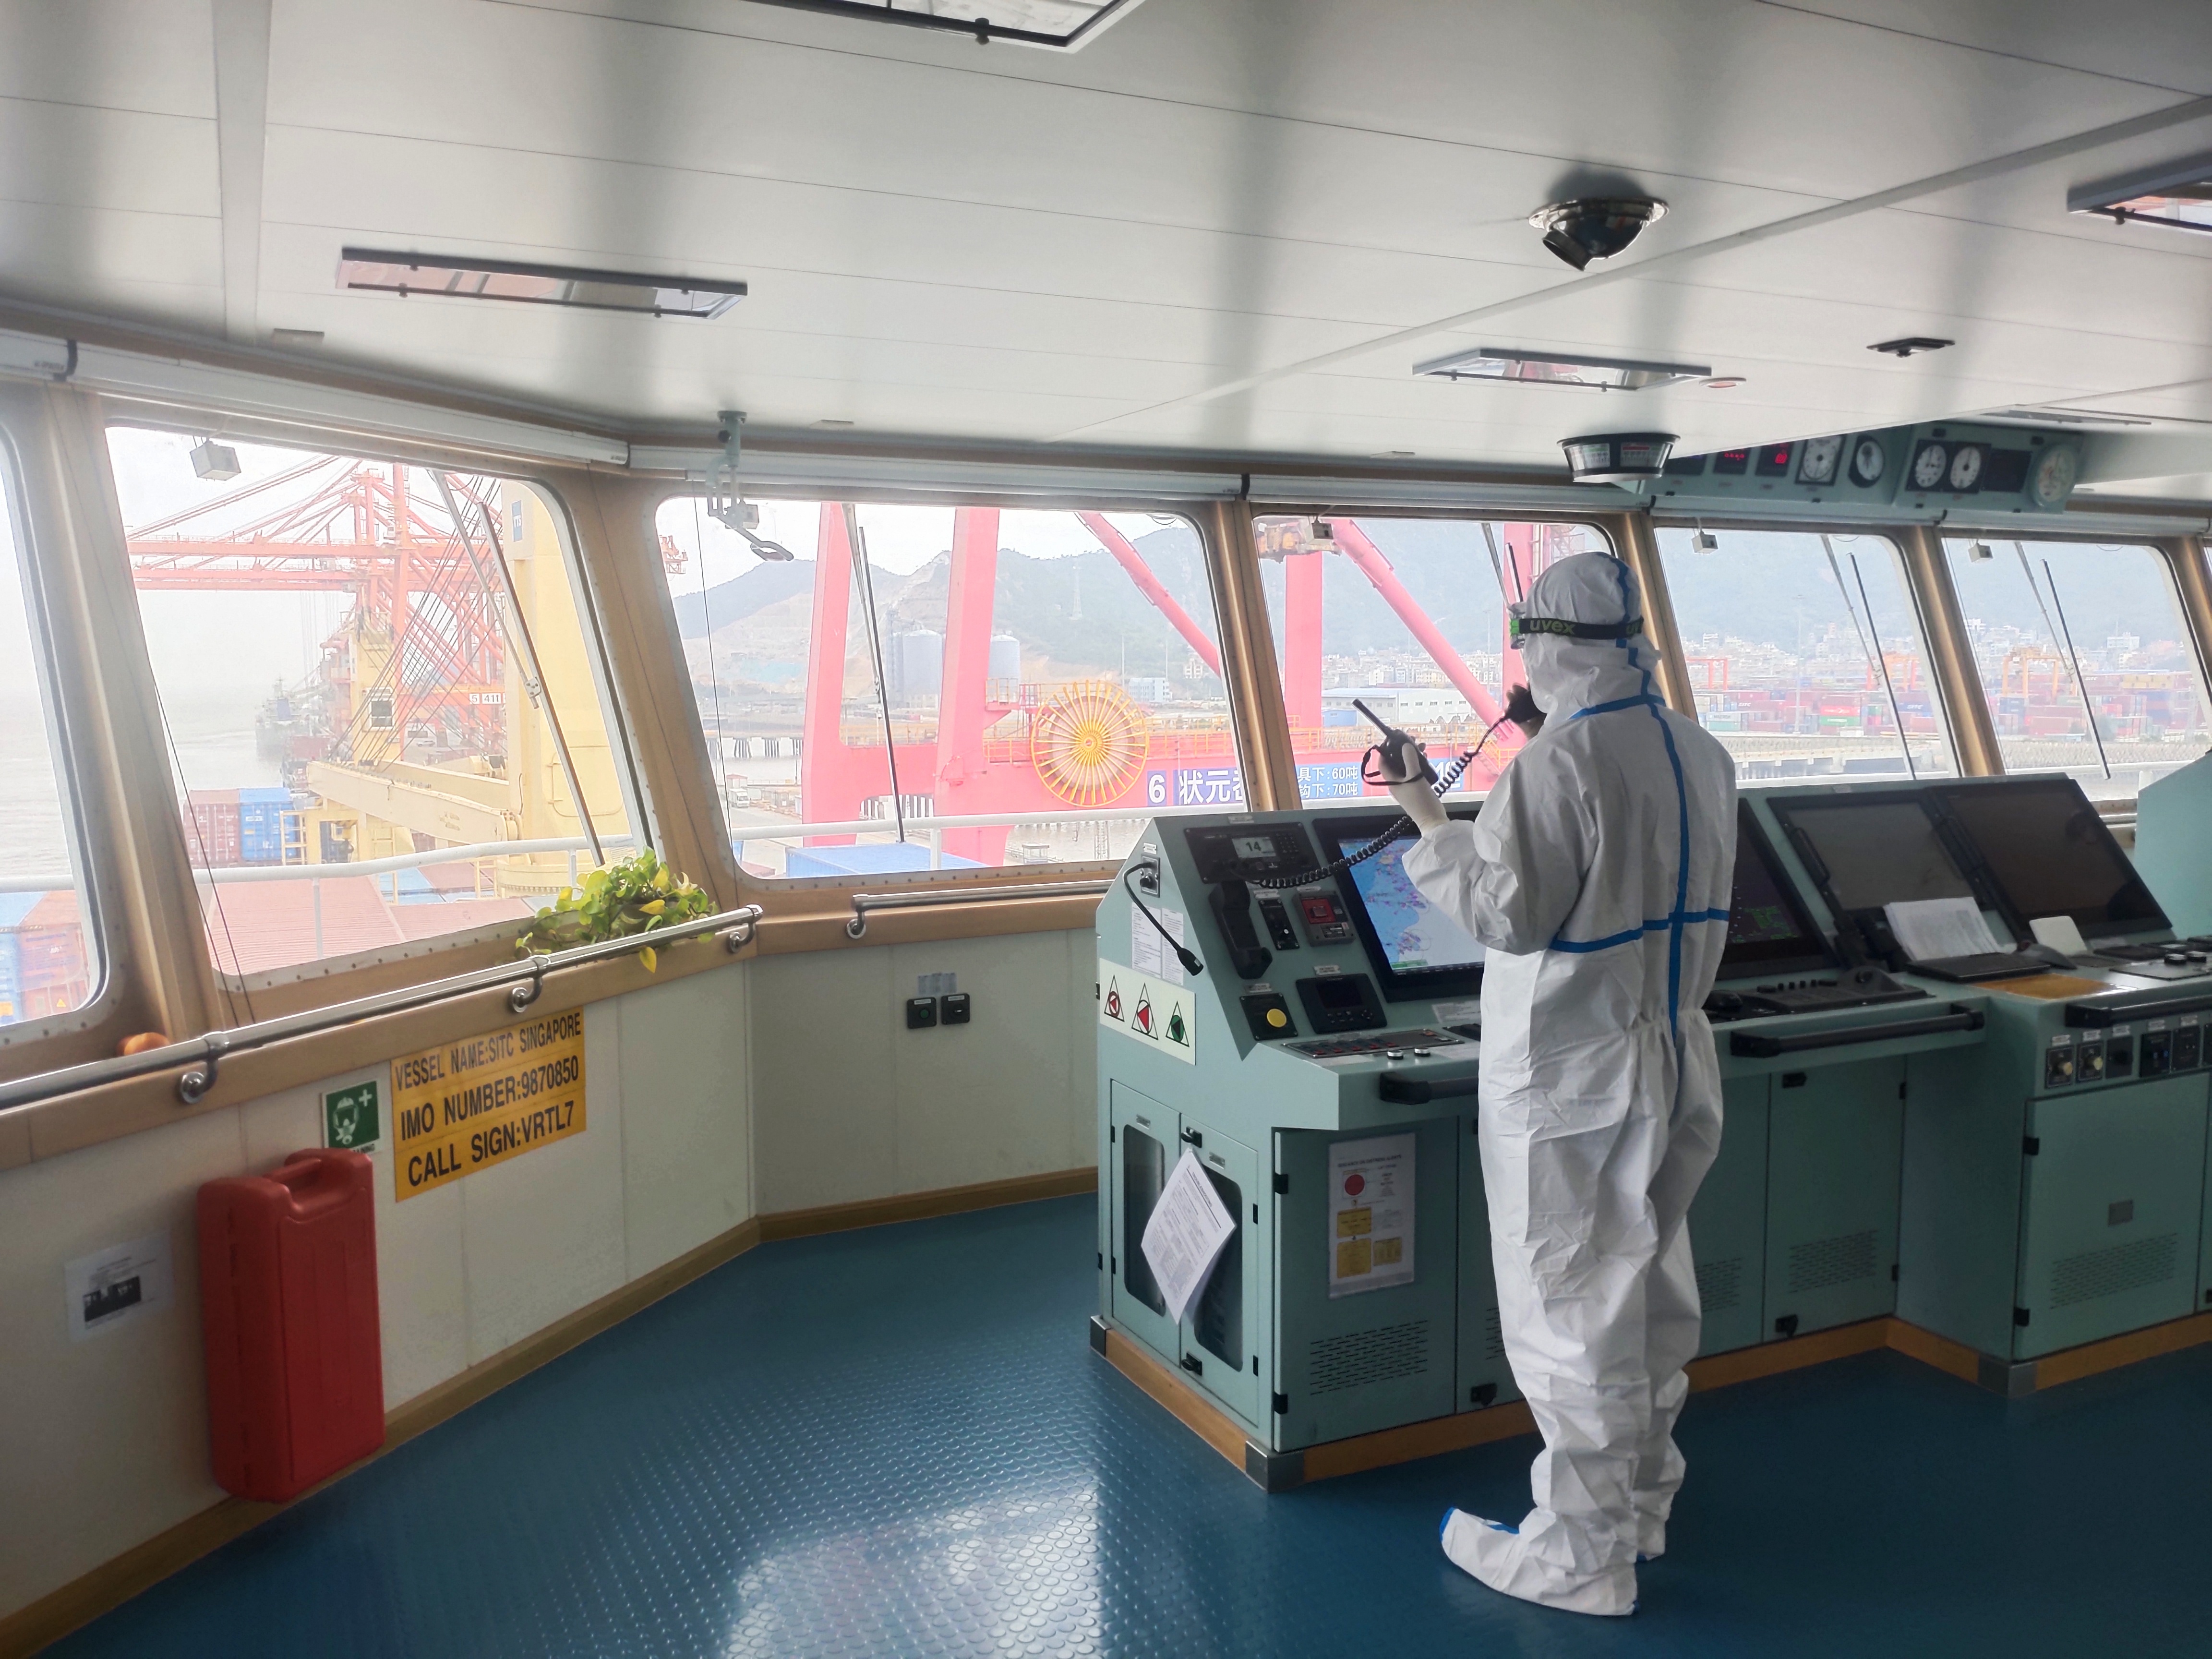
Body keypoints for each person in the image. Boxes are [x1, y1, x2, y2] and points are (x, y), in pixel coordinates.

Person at [1374, 551, 1737, 1617]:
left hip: (1575, 1081)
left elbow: (1508, 914)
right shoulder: (1701, 751)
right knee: (1650, 1298)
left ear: (1544, 645)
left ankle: (1582, 1557)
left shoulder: (1556, 766)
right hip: (1676, 1058)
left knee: (1570, 1313)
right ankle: (1638, 1510)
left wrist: (1425, 817)